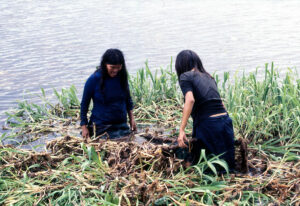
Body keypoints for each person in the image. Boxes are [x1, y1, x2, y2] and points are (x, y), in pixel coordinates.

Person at [175, 50, 235, 171]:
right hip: (225, 122)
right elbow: (221, 103)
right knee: (227, 167)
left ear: (180, 65)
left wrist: (181, 129)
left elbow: (190, 100)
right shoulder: (209, 77)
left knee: (206, 168)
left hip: (209, 125)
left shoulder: (185, 76)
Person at [80, 49, 136, 141]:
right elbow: (84, 105)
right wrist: (84, 127)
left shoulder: (121, 77)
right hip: (101, 126)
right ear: (105, 64)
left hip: (121, 125)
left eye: (118, 67)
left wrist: (132, 119)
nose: (115, 71)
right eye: (112, 67)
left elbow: (127, 99)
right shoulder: (93, 79)